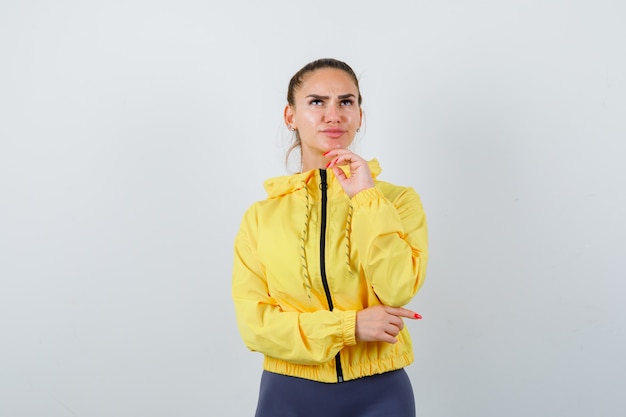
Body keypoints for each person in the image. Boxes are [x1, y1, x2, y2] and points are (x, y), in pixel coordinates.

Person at [232, 58, 428, 417]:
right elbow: (255, 326)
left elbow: (397, 289)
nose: (333, 115)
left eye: (346, 101)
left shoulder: (397, 201)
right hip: (287, 395)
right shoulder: (260, 218)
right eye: (317, 102)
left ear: (359, 115)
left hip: (380, 393)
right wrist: (350, 326)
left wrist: (367, 198)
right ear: (291, 116)